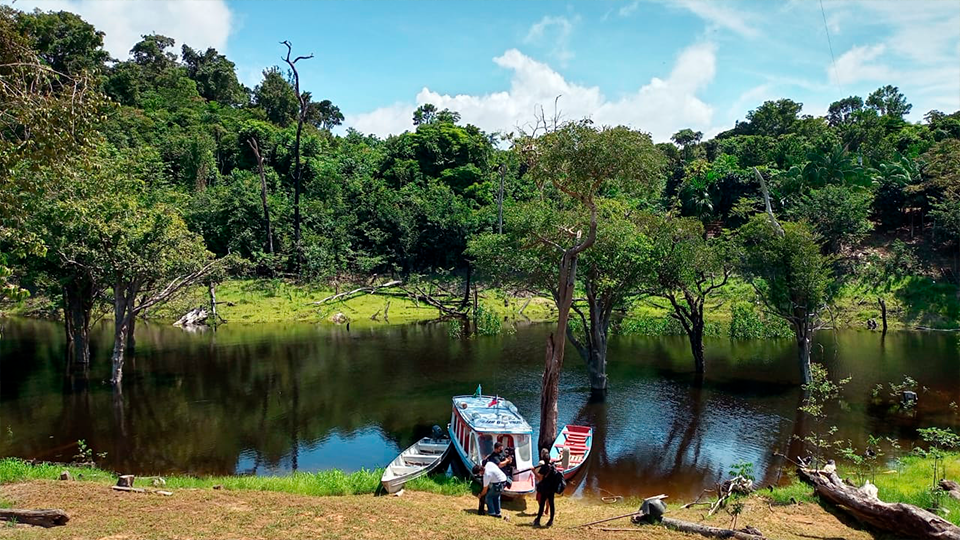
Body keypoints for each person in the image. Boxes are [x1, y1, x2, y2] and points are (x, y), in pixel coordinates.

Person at [533, 448, 559, 527]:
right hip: (551, 488)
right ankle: (551, 520)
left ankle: (538, 520)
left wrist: (533, 471)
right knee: (551, 503)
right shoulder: (553, 467)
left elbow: (540, 479)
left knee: (542, 504)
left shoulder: (543, 468)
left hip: (545, 488)